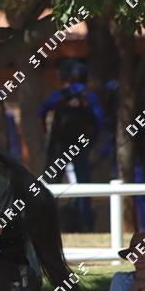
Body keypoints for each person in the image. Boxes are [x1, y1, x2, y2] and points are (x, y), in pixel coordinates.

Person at [39, 60, 103, 232]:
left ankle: (48, 223)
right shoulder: (90, 97)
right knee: (84, 185)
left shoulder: (60, 95)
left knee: (52, 184)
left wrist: (46, 134)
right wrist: (91, 143)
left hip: (59, 145)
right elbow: (99, 123)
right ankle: (85, 226)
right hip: (81, 146)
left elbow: (42, 111)